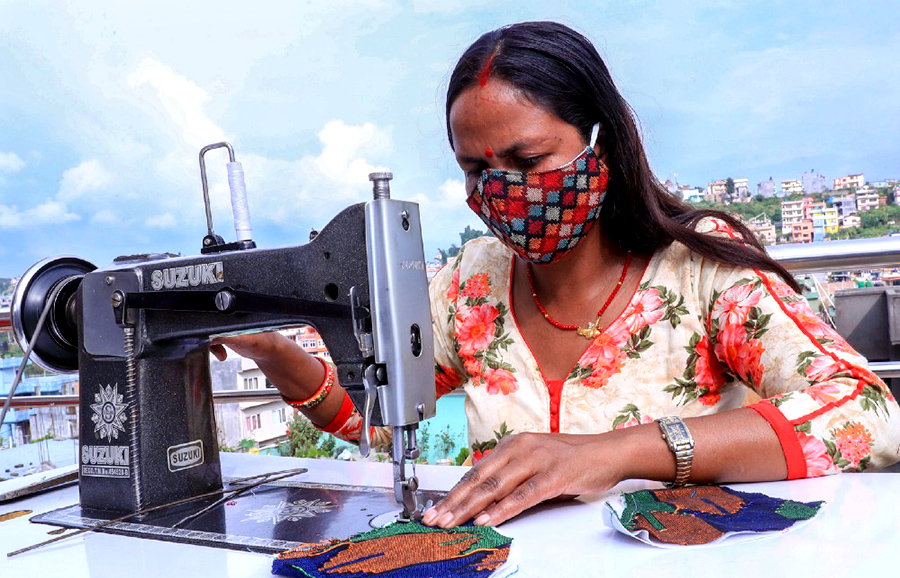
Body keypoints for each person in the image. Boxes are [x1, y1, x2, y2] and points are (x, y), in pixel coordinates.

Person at [213, 21, 900, 531]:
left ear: (601, 143)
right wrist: (273, 353)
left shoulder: (700, 270)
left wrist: (617, 452)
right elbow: (379, 419)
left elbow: (867, 414)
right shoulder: (470, 286)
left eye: (528, 158)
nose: (502, 189)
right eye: (477, 170)